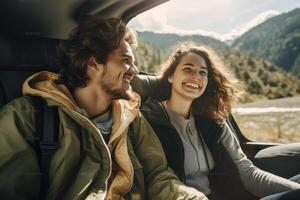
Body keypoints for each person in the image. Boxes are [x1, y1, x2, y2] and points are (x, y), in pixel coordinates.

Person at [0, 17, 208, 200]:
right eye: (126, 61)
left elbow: (157, 176)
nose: (134, 71)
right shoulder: (25, 118)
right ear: (94, 63)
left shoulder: (132, 119)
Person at [140, 43, 300, 200]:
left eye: (203, 73)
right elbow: (155, 180)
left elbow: (247, 172)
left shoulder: (213, 121)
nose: (196, 76)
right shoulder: (150, 119)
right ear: (170, 76)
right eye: (187, 69)